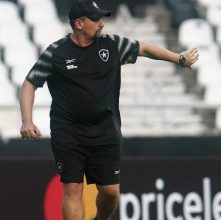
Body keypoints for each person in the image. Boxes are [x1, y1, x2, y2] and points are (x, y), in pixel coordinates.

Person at [19, 0, 199, 219]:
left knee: (111, 193)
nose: (101, 24)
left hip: (105, 130)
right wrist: (27, 121)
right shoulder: (56, 52)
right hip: (68, 132)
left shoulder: (111, 45)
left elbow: (144, 48)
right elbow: (29, 84)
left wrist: (178, 58)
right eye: (95, 19)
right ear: (79, 23)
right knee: (73, 188)